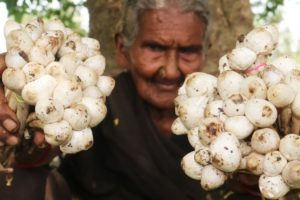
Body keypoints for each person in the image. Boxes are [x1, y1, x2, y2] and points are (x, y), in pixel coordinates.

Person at [1, 0, 294, 199]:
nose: (170, 69)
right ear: (122, 48)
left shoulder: (233, 115)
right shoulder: (96, 103)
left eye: (188, 51)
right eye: (154, 47)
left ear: (207, 50)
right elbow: (38, 161)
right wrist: (19, 135)